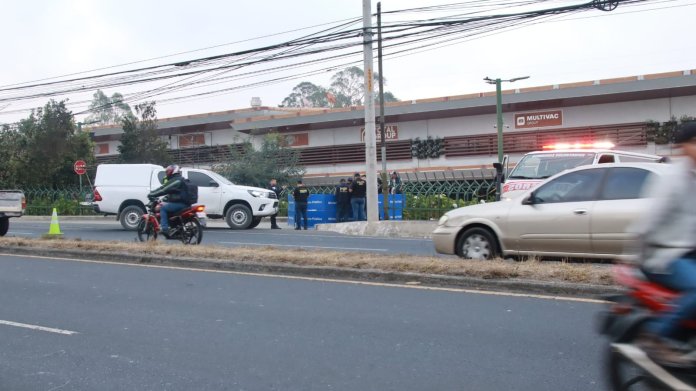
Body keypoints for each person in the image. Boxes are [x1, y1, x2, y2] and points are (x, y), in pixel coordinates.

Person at [633, 121, 696, 368]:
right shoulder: (672, 179)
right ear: (683, 147)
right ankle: (656, 335)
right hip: (664, 256)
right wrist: (636, 260)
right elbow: (647, 222)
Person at [147, 165, 191, 236]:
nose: (167, 173)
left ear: (173, 171)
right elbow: (172, 193)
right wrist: (164, 199)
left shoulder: (176, 180)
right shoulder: (182, 179)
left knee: (163, 208)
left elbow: (163, 189)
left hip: (180, 204)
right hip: (186, 204)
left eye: (168, 171)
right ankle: (174, 226)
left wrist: (152, 194)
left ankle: (165, 229)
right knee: (167, 206)